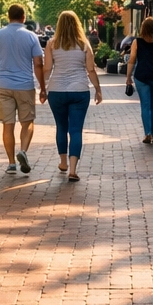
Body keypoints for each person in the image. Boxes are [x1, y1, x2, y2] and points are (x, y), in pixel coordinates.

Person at [41, 10, 103, 181]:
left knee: (61, 127)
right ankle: (73, 169)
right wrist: (98, 89)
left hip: (57, 91)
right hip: (79, 90)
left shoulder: (52, 44)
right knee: (76, 130)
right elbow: (90, 70)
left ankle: (63, 162)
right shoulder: (84, 44)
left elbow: (47, 69)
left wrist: (42, 88)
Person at [0, 4, 45, 174]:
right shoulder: (31, 36)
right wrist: (42, 87)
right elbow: (38, 64)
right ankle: (23, 151)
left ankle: (11, 163)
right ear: (24, 17)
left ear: (8, 16)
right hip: (25, 85)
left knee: (8, 125)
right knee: (27, 122)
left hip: (3, 85)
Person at [125, 17, 153, 144]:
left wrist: (128, 77)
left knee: (145, 106)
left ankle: (147, 133)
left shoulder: (137, 42)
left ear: (143, 28)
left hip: (141, 76)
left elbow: (132, 60)